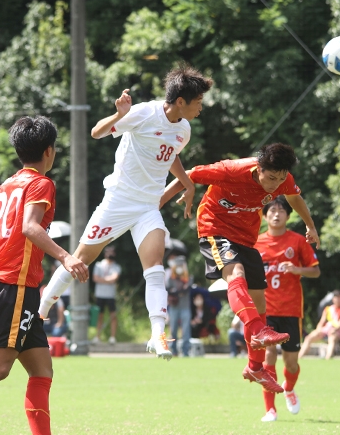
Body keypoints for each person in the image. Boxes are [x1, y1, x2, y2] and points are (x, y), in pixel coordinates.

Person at [38, 65, 213, 360]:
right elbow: (96, 133)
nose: (201, 108)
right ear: (181, 100)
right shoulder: (145, 113)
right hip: (118, 201)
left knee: (155, 267)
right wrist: (120, 114)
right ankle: (39, 315)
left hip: (147, 206)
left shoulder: (183, 129)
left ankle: (158, 335)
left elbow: (168, 155)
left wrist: (187, 184)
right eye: (199, 102)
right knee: (78, 261)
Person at [0, 116, 88, 435]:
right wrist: (65, 257)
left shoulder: (3, 188)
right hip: (15, 288)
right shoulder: (42, 184)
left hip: (17, 288)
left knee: (42, 369)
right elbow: (30, 226)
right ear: (49, 151)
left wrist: (2, 257)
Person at [161, 142, 320, 393]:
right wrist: (153, 207)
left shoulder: (282, 179)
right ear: (259, 168)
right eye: (270, 178)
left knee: (259, 304)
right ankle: (257, 330)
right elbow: (189, 174)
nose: (274, 184)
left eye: (279, 179)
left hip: (246, 238)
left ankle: (255, 368)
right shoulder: (232, 170)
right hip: (215, 229)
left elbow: (293, 195)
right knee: (236, 275)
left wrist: (310, 225)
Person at [254, 196, 320, 421]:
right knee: (269, 355)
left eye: (281, 210)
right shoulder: (256, 242)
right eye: (272, 210)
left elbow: (315, 271)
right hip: (266, 310)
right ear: (264, 215)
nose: (276, 214)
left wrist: (296, 269)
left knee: (291, 364)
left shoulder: (298, 241)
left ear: (288, 216)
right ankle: (270, 410)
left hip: (291, 310)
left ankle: (289, 389)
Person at [298, 291, 340, 360]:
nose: (338, 300)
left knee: (332, 338)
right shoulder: (328, 309)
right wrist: (318, 329)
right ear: (333, 299)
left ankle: (328, 357)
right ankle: (299, 356)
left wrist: (334, 329)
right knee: (309, 338)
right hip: (327, 328)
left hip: (338, 330)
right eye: (336, 298)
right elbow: (322, 321)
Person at [92, 246, 121, 344]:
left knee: (113, 315)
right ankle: (97, 336)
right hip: (100, 294)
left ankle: (112, 337)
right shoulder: (99, 265)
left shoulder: (116, 266)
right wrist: (108, 280)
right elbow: (95, 278)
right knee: (99, 316)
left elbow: (114, 278)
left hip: (110, 295)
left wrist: (102, 279)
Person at [166, 254, 192, 357]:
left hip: (185, 307)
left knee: (186, 330)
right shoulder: (171, 278)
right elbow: (169, 289)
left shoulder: (188, 278)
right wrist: (177, 291)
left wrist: (178, 290)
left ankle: (185, 351)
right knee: (173, 330)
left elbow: (186, 289)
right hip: (174, 307)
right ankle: (174, 350)